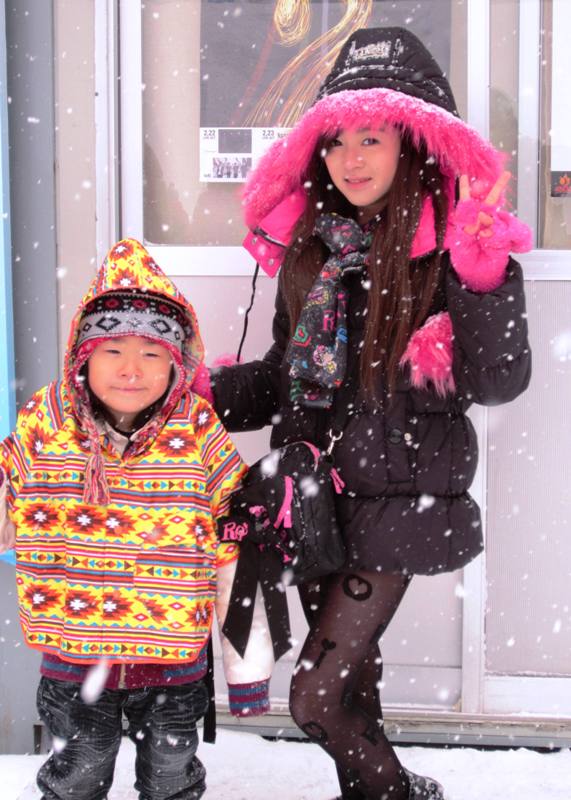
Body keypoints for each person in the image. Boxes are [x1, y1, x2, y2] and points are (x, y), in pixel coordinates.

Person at [206, 27, 532, 800]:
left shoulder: (459, 251)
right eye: (336, 140)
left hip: (397, 504)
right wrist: (195, 388)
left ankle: (400, 793)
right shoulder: (311, 255)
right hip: (313, 501)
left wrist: (480, 276)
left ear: (412, 144)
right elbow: (286, 383)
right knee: (353, 691)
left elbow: (497, 381)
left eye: (372, 138)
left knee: (313, 697)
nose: (350, 159)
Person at [0, 238, 273, 800]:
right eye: (113, 349)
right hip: (76, 655)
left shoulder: (196, 426)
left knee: (171, 774)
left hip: (174, 658)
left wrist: (247, 662)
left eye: (151, 353)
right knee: (79, 768)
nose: (131, 369)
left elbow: (236, 533)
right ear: (83, 355)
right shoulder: (44, 422)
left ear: (176, 363)